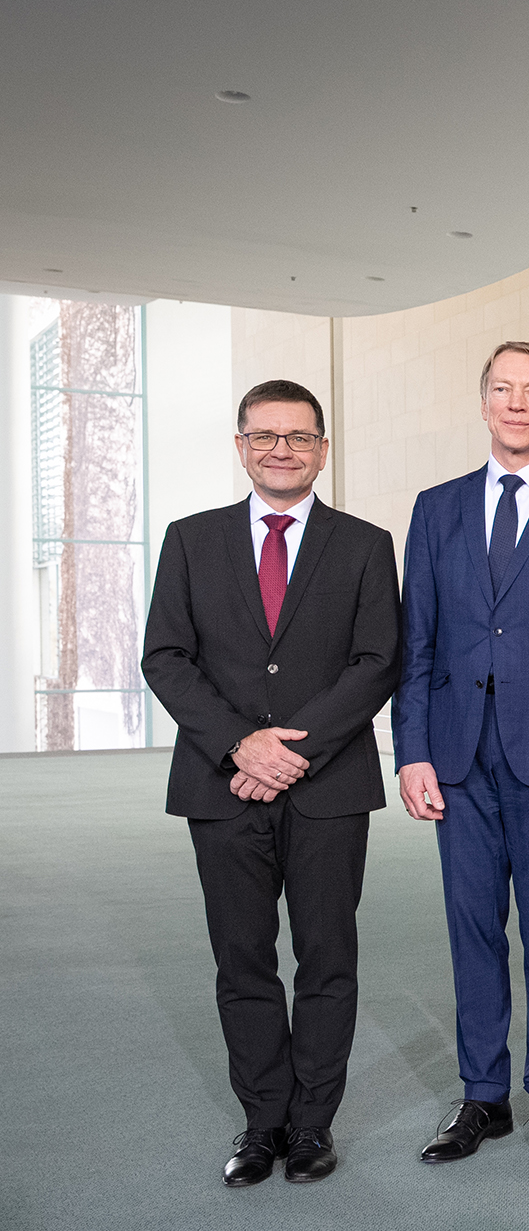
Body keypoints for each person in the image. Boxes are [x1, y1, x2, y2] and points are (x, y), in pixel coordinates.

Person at [142, 379, 401, 1187]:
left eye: (298, 437)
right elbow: (165, 657)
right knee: (243, 959)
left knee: (327, 957)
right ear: (241, 446)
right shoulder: (191, 540)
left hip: (328, 788)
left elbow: (378, 661)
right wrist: (240, 747)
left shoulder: (365, 544)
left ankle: (313, 1123)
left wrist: (293, 752)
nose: (281, 449)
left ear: (323, 450)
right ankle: (262, 1123)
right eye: (265, 435)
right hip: (221, 787)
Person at [393, 341, 529, 1166]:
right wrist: (411, 750)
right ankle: (483, 1094)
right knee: (471, 927)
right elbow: (417, 640)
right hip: (456, 755)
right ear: (483, 403)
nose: (517, 403)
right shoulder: (435, 508)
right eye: (503, 389)